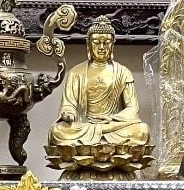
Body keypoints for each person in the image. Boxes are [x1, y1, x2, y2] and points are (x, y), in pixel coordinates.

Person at [47, 16, 151, 151]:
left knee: (142, 131)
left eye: (106, 42)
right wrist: (68, 113)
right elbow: (69, 104)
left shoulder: (123, 72)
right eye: (96, 42)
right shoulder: (76, 73)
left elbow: (133, 109)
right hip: (84, 126)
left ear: (112, 44)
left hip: (112, 126)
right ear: (88, 44)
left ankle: (96, 142)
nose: (101, 47)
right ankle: (101, 142)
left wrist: (111, 119)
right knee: (57, 131)